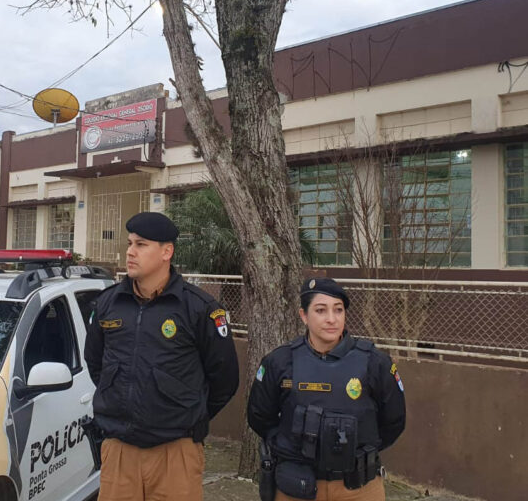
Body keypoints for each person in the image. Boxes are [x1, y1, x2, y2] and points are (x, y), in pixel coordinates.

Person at [84, 211, 240, 501]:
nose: (130, 252)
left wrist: (187, 416)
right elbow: (96, 364)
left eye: (141, 245)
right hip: (120, 451)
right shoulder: (108, 304)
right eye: (130, 243)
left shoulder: (199, 308)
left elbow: (225, 378)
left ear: (167, 251)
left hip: (175, 452)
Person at [247, 278, 406, 501]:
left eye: (338, 310)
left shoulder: (375, 363)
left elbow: (394, 421)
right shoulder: (280, 361)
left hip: (358, 488)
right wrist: (291, 447)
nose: (331, 319)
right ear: (304, 315)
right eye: (321, 310)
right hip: (296, 486)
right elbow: (259, 416)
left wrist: (359, 451)